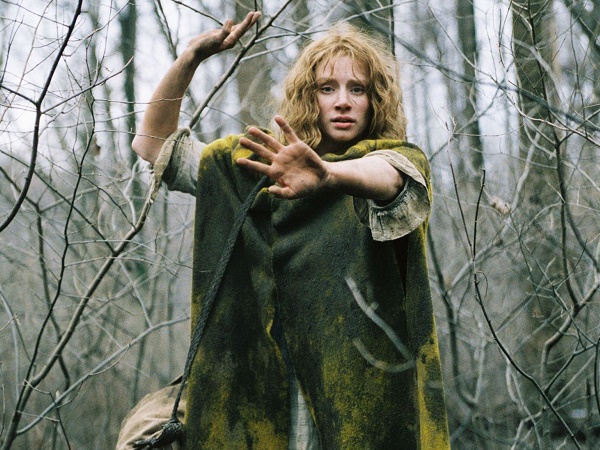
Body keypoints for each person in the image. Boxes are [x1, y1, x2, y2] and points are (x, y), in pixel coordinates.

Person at [118, 10, 449, 450]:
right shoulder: (262, 167)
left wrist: (329, 176)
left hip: (363, 393)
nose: (343, 101)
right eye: (327, 88)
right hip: (266, 391)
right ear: (309, 97)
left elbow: (388, 178)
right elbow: (152, 146)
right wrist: (190, 58)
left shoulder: (396, 160)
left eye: (357, 89)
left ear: (375, 100)